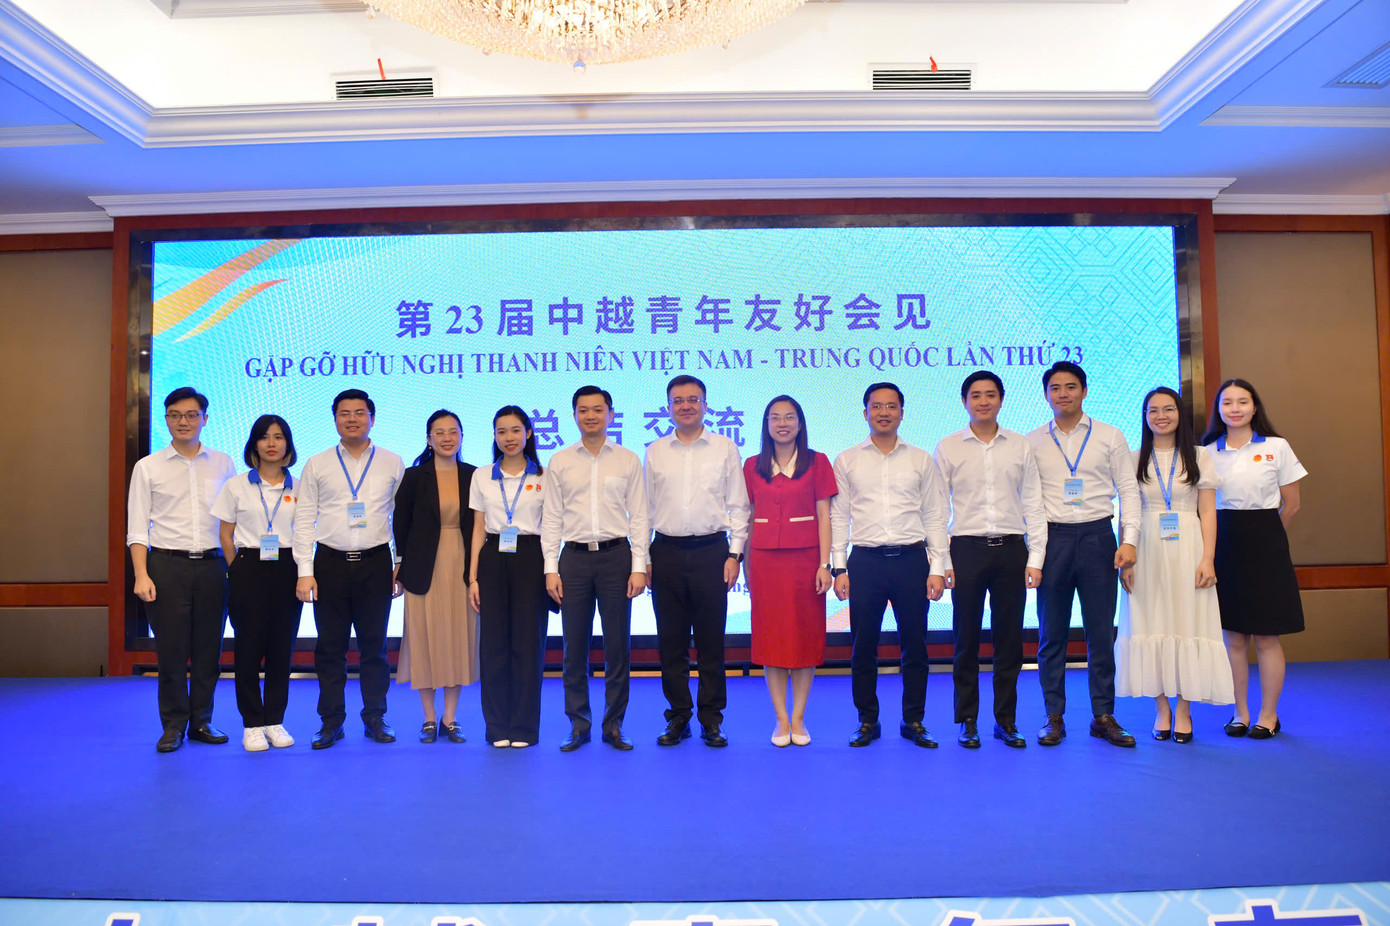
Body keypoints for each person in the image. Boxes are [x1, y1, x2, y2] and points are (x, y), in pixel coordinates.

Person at [1027, 361, 1141, 747]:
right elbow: (1028, 501)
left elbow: (1128, 491)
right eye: (1055, 388)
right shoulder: (1032, 441)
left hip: (1098, 538)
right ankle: (1053, 716)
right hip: (1053, 539)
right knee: (1051, 634)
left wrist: (1129, 540)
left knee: (1100, 632)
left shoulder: (1109, 435)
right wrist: (1034, 554)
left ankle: (1103, 715)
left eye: (1071, 386)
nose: (1063, 394)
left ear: (1085, 391)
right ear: (1046, 395)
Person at [830, 382, 949, 748]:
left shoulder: (920, 459)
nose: (884, 412)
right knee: (863, 645)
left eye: (891, 406)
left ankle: (913, 720)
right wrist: (839, 567)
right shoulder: (848, 459)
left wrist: (937, 567)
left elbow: (935, 514)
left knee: (915, 644)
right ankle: (867, 720)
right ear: (865, 412)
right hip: (865, 561)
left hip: (912, 560)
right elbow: (839, 517)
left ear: (902, 412)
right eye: (877, 406)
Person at [933, 371, 1046, 749]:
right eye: (976, 395)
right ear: (964, 401)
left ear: (1001, 399)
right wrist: (942, 561)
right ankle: (967, 720)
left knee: (1009, 640)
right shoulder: (949, 447)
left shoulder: (1019, 445)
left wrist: (1036, 557)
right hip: (966, 550)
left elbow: (1033, 501)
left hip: (1012, 549)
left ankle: (1005, 721)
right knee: (965, 638)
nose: (983, 401)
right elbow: (936, 509)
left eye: (991, 395)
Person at [1116, 387, 1233, 742]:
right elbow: (1127, 512)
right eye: (1153, 410)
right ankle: (1161, 708)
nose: (1161, 416)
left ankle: (1183, 709)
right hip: (1146, 549)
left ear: (1180, 414)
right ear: (1145, 417)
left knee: (1188, 622)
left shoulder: (1199, 456)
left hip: (1189, 548)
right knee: (1150, 621)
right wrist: (1126, 559)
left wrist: (1208, 558)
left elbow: (1208, 512)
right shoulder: (1133, 458)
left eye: (1168, 409)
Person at [292, 388, 405, 750]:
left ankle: (375, 717)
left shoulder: (392, 462)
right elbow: (304, 518)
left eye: (359, 412)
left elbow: (401, 518)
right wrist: (304, 570)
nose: (352, 419)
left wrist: (399, 563)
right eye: (344, 413)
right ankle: (331, 721)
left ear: (372, 418)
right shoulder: (318, 463)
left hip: (376, 563)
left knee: (375, 647)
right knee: (330, 648)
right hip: (330, 564)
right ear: (335, 419)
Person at [541, 385, 650, 751]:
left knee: (618, 645)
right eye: (583, 410)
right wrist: (550, 568)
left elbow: (640, 516)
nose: (591, 416)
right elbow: (551, 517)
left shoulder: (627, 459)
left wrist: (638, 565)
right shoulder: (560, 461)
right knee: (574, 647)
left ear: (610, 415)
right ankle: (578, 723)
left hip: (617, 557)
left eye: (598, 409)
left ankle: (614, 724)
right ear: (574, 416)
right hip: (572, 559)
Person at [128, 386, 236, 753]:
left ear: (205, 419)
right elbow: (137, 528)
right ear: (166, 419)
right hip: (166, 566)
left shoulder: (223, 463)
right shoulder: (148, 467)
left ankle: (202, 721)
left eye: (191, 415)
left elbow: (233, 522)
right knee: (171, 652)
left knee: (209, 650)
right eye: (175, 415)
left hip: (213, 566)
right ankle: (173, 725)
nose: (183, 422)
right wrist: (141, 575)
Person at [645, 375, 750, 748]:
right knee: (670, 642)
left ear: (706, 405)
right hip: (666, 552)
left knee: (710, 642)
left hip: (712, 552)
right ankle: (678, 716)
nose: (686, 406)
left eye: (693, 399)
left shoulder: (724, 448)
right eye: (678, 400)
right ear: (668, 407)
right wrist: (643, 558)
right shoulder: (656, 451)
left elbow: (739, 506)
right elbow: (645, 510)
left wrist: (735, 553)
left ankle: (711, 719)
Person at [1202, 378, 1307, 740]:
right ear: (1218, 409)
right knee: (1233, 637)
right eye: (1227, 402)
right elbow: (1203, 507)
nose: (1235, 409)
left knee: (1266, 637)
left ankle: (1268, 715)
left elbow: (1292, 505)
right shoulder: (1207, 452)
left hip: (1267, 545)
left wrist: (1269, 538)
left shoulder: (1277, 446)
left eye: (1242, 401)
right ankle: (1240, 713)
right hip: (1224, 543)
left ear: (1255, 406)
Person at [743, 394, 837, 747]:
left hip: (806, 563)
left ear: (800, 423)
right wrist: (746, 564)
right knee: (772, 640)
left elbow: (825, 515)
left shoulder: (818, 462)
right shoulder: (752, 465)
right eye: (775, 417)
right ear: (766, 424)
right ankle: (780, 719)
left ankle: (799, 717)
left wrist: (825, 564)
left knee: (803, 639)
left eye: (789, 417)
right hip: (765, 564)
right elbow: (748, 519)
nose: (782, 423)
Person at [211, 414, 302, 752]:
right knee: (248, 649)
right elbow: (225, 534)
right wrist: (237, 568)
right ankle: (251, 724)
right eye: (264, 437)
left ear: (288, 444)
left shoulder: (300, 487)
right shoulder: (236, 485)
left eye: (278, 437)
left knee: (281, 649)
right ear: (254, 444)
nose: (271, 443)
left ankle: (274, 721)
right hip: (248, 567)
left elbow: (306, 531)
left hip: (288, 567)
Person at [394, 409, 479, 744]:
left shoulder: (474, 475)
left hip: (462, 563)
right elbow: (400, 525)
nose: (447, 438)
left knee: (458, 638)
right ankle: (429, 718)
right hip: (421, 566)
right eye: (439, 432)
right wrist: (399, 565)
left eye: (453, 431)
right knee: (425, 639)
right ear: (429, 439)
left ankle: (450, 718)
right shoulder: (414, 477)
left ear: (462, 436)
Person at [468, 406, 550, 748]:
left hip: (532, 557)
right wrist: (472, 577)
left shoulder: (544, 476)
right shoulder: (482, 476)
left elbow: (552, 528)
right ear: (494, 436)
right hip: (492, 558)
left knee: (528, 645)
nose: (509, 438)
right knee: (494, 645)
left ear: (528, 433)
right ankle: (497, 727)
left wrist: (551, 570)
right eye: (501, 431)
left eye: (516, 430)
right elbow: (477, 529)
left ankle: (524, 728)